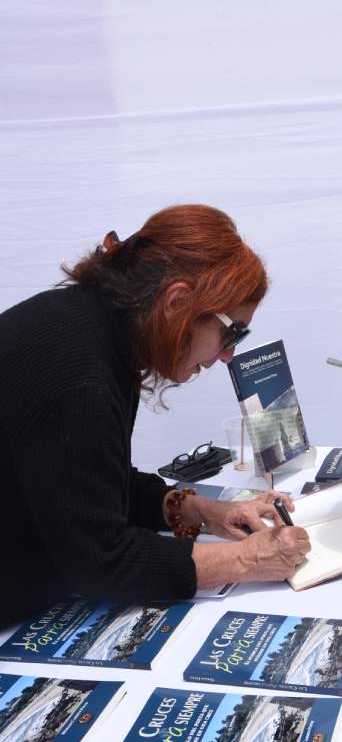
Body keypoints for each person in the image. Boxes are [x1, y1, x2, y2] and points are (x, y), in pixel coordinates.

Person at [0, 204, 310, 629]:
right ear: (177, 301)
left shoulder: (88, 325)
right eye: (231, 331)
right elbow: (102, 561)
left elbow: (89, 485)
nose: (227, 355)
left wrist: (198, 511)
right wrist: (246, 558)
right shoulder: (78, 375)